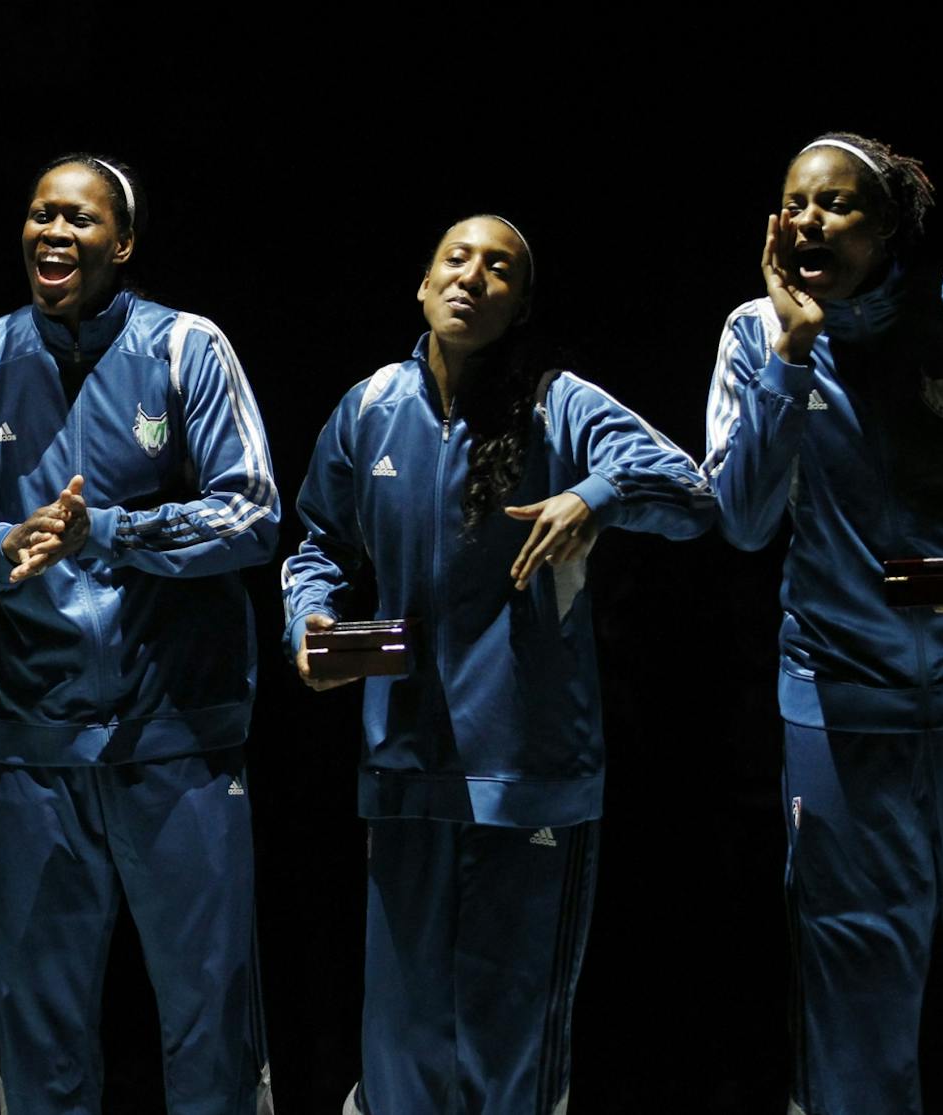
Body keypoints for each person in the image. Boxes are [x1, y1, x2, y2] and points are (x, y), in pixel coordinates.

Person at [282, 215, 714, 1114]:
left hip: (531, 774)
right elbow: (316, 541)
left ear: (521, 304)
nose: (473, 277)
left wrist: (595, 496)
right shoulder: (370, 409)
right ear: (422, 282)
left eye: (500, 269)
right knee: (398, 1045)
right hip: (404, 771)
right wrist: (312, 618)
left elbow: (693, 493)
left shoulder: (562, 404)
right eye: (455, 259)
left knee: (510, 1051)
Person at [0, 154, 279, 1114]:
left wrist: (108, 529)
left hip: (180, 737)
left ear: (123, 241)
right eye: (38, 215)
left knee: (209, 1026)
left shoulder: (187, 347)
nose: (53, 233)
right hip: (33, 746)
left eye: (77, 218)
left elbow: (253, 516)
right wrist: (1, 545)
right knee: (41, 1039)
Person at [701, 133, 943, 1115]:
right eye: (793, 203)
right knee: (854, 1012)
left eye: (838, 204)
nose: (807, 219)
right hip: (841, 714)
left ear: (889, 224)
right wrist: (793, 352)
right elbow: (747, 515)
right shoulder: (752, 335)